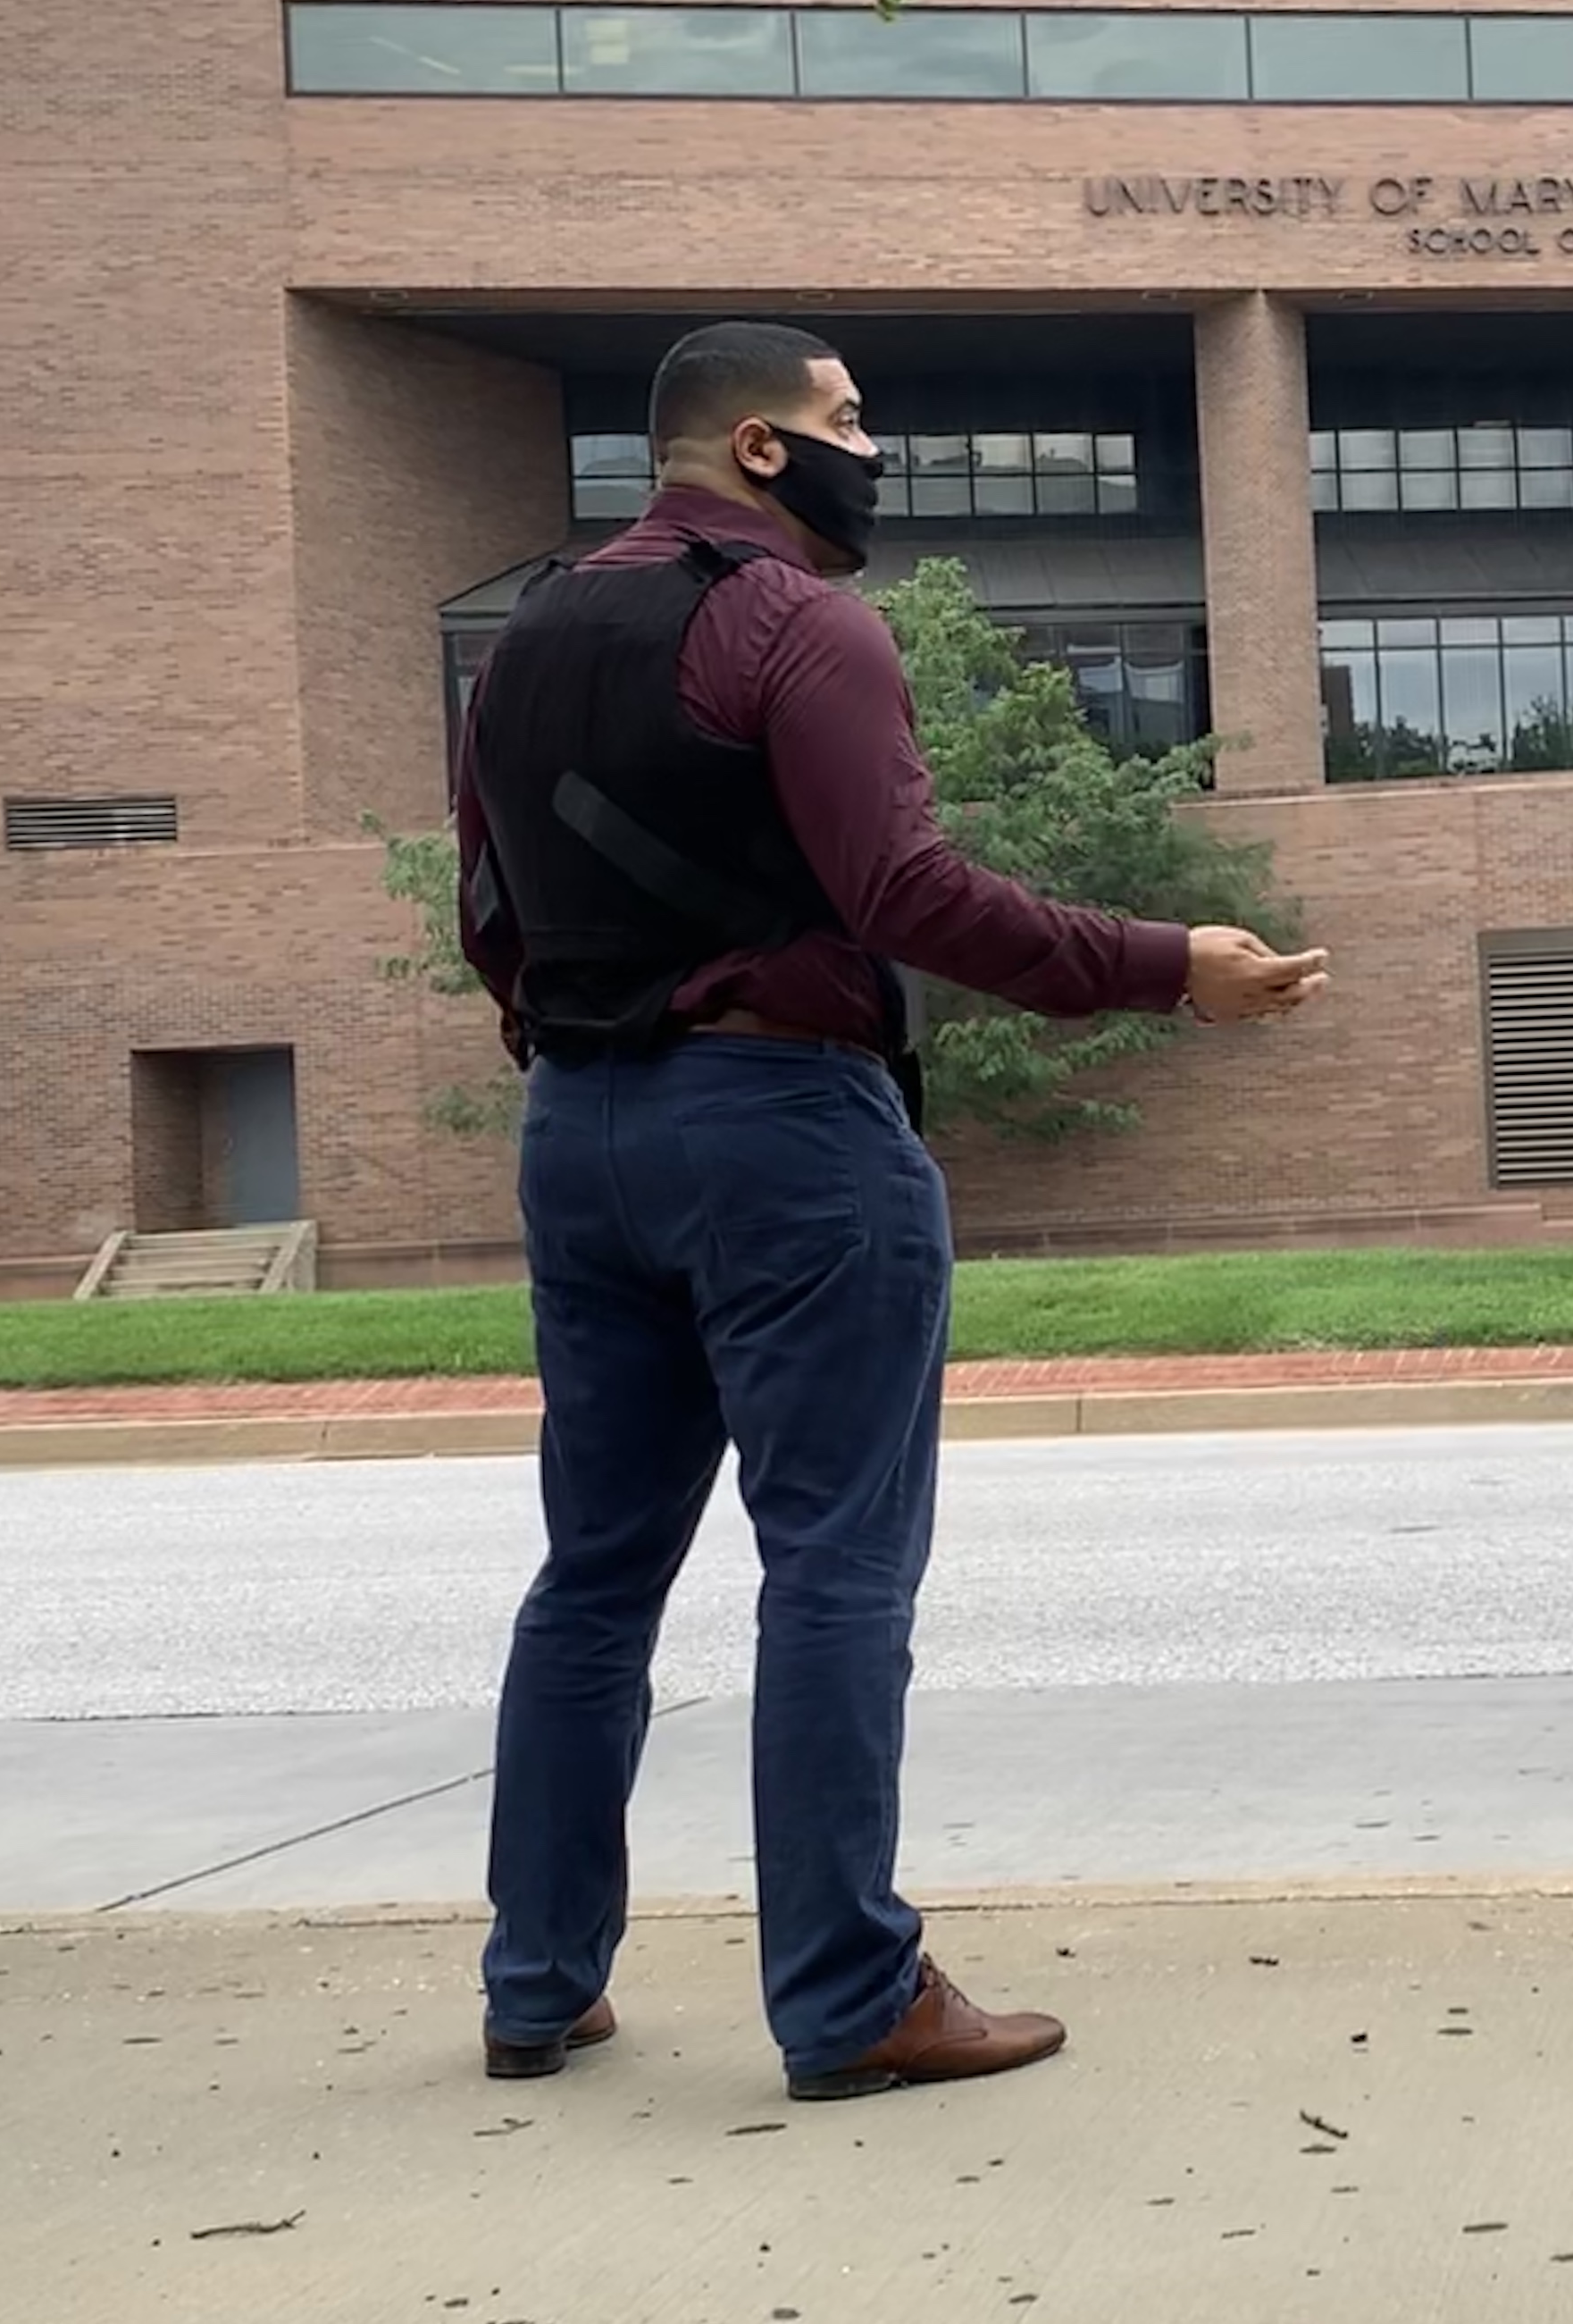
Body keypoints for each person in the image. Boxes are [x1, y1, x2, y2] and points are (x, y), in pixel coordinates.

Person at [456, 321, 1328, 2102]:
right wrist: (1173, 964)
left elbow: (490, 907)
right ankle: (850, 1996)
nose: (876, 447)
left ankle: (535, 1980)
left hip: (578, 1125)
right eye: (851, 421)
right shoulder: (802, 623)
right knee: (836, 1567)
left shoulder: (522, 637)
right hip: (782, 1125)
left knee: (593, 1577)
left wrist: (593, 1049)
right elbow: (903, 888)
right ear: (759, 450)